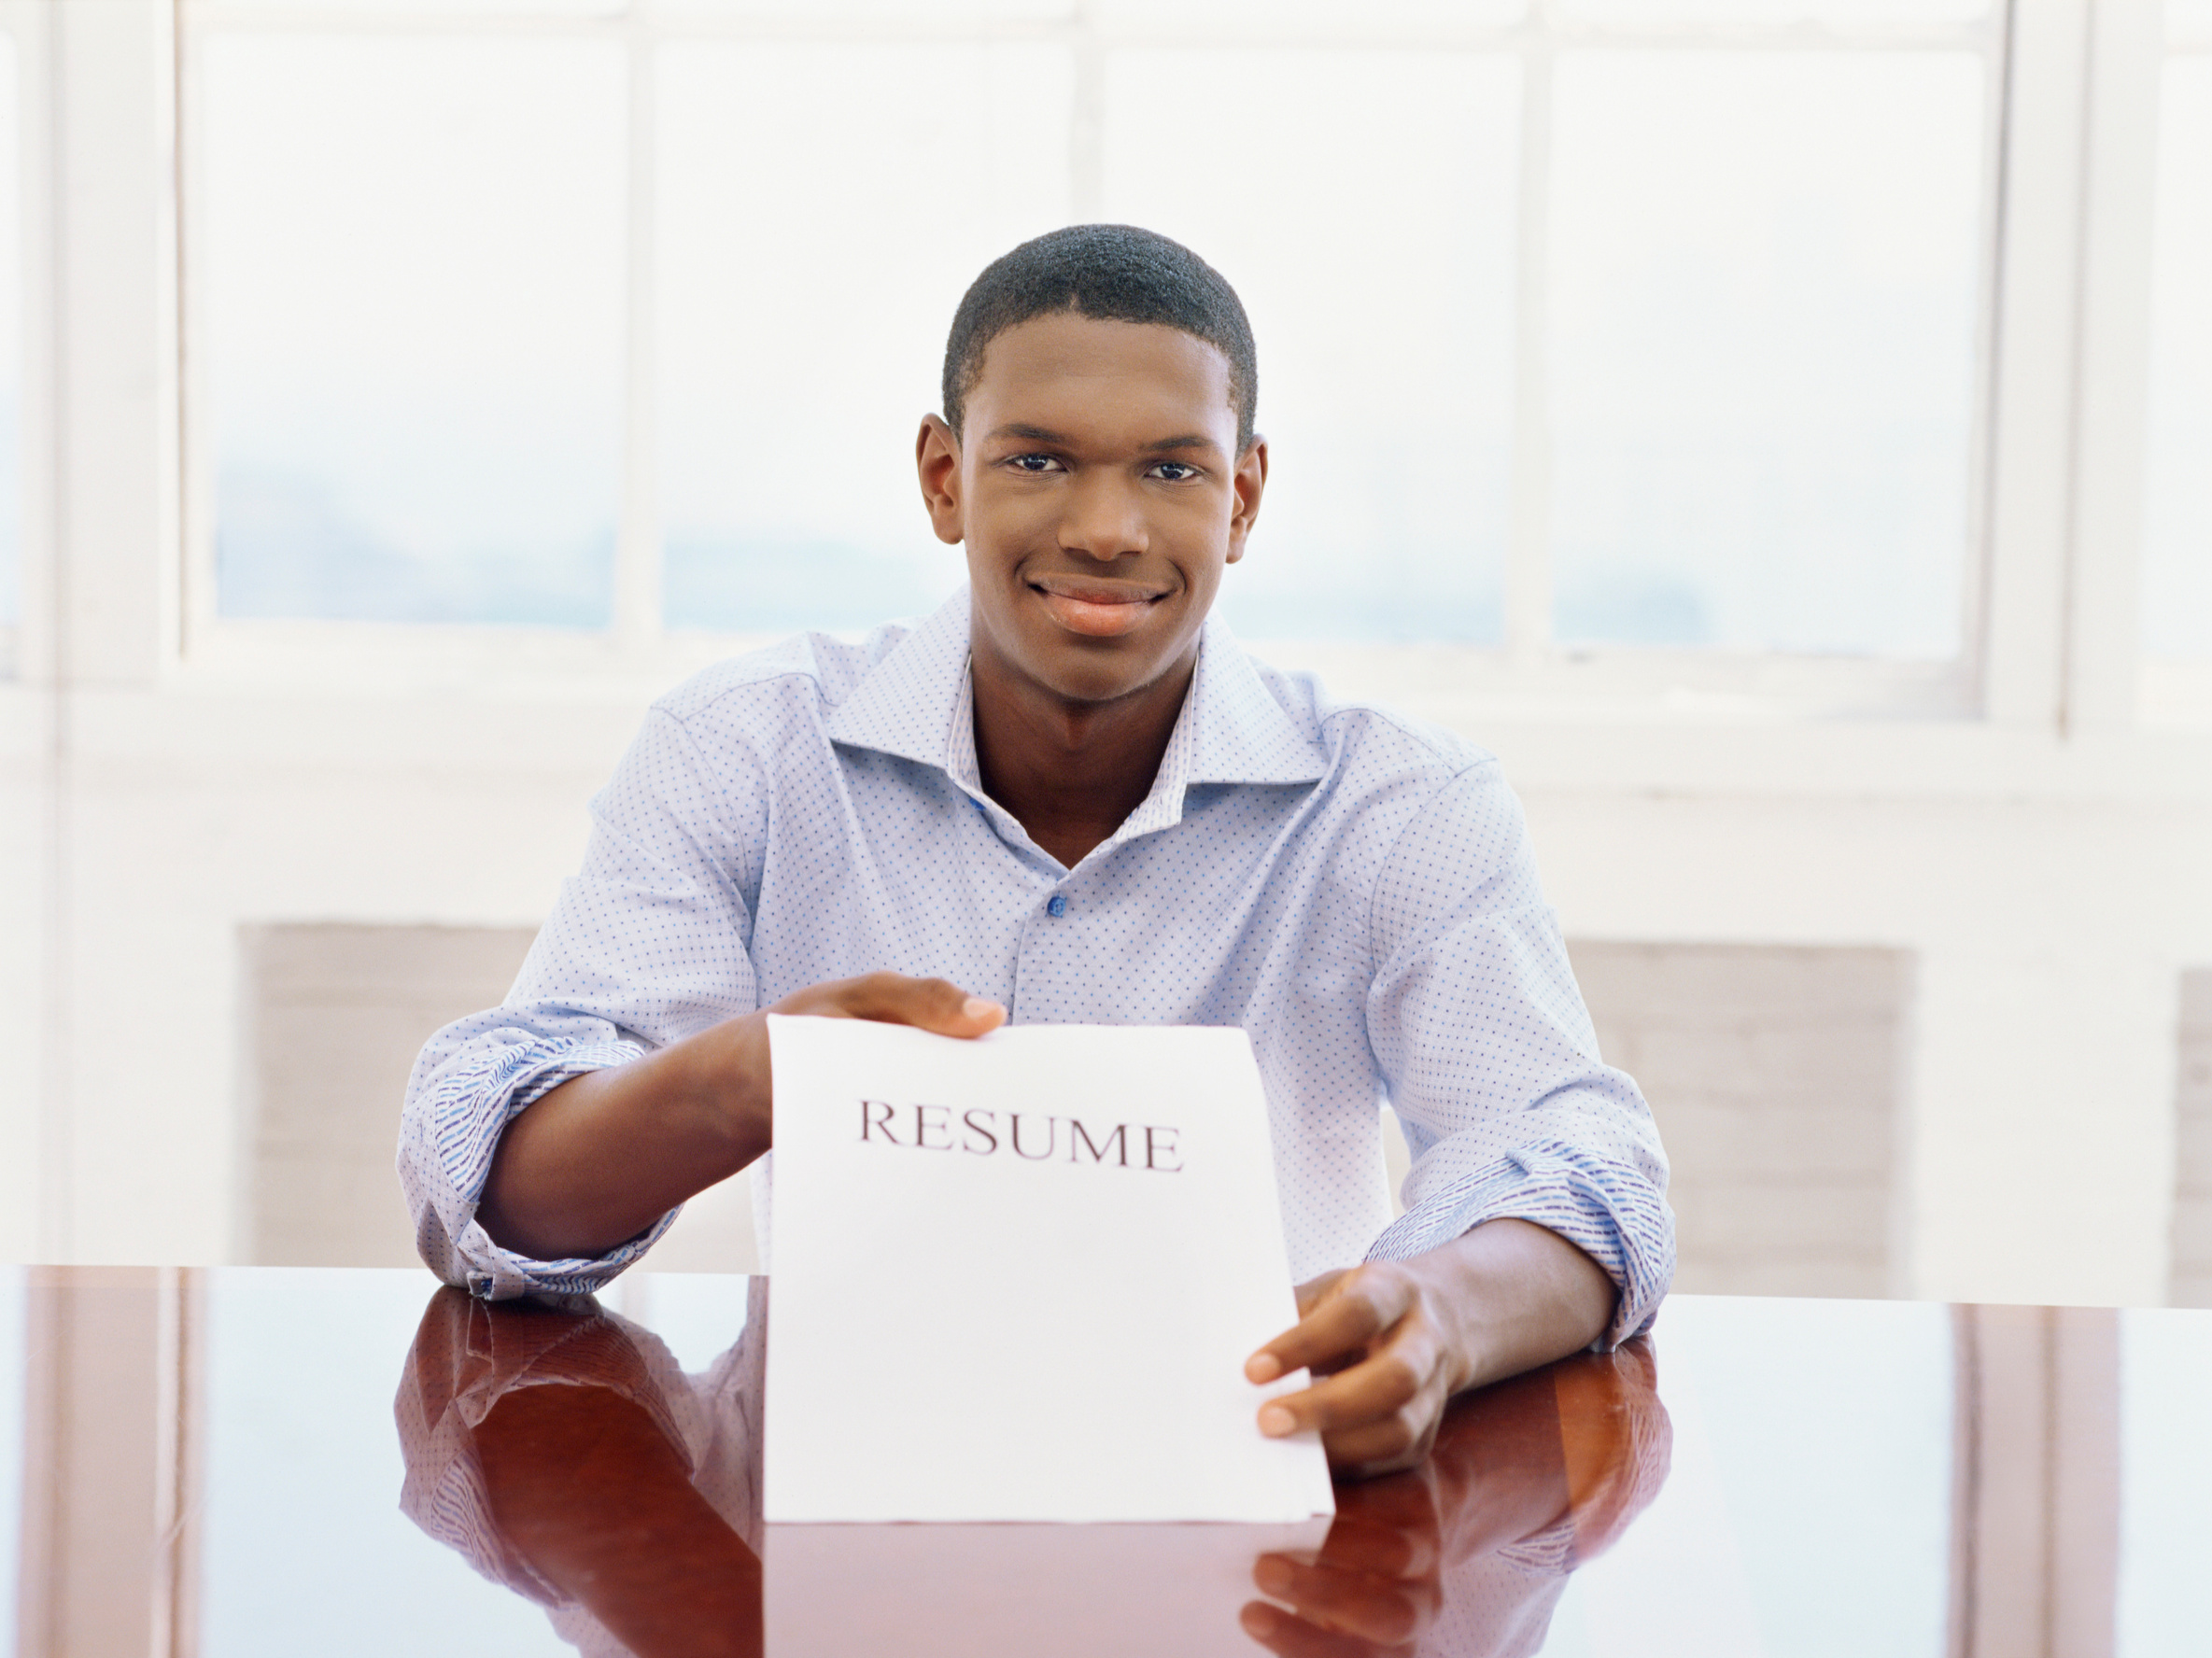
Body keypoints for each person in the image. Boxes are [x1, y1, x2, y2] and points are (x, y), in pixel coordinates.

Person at [399, 223, 1673, 1477]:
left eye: (1172, 471)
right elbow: (489, 1193)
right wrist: (743, 1081)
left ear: (1243, 498)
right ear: (945, 479)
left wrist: (1439, 1322)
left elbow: (1579, 1167)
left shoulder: (1399, 801)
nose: (1106, 528)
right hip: (855, 1499)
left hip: (1269, 1483)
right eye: (1040, 461)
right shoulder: (745, 749)